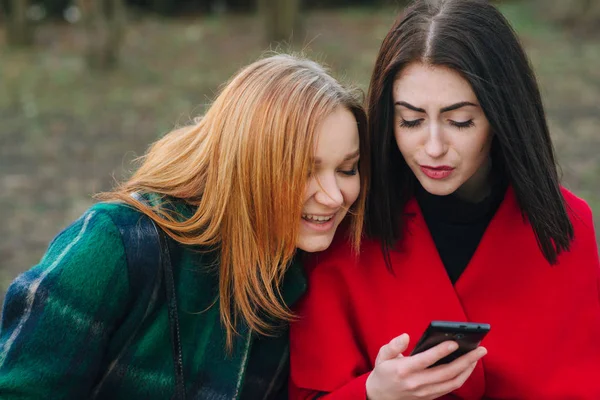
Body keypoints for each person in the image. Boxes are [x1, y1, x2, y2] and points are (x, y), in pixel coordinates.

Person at [0, 54, 369, 399]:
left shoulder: (298, 274)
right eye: (305, 170)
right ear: (250, 163)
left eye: (346, 169)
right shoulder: (118, 243)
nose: (335, 197)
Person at [289, 0, 600, 399]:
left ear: (503, 117)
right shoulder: (344, 223)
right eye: (411, 120)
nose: (433, 147)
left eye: (460, 121)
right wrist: (370, 394)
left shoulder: (568, 225)